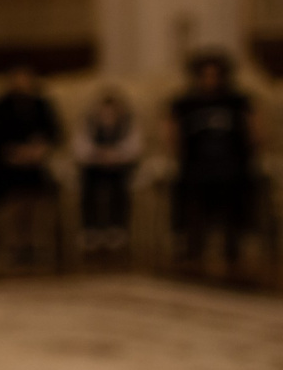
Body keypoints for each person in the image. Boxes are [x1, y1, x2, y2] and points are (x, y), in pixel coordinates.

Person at [167, 50, 263, 280]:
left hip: (232, 162)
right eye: (206, 75)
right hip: (197, 163)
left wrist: (252, 148)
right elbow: (171, 133)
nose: (210, 80)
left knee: (235, 183)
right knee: (192, 186)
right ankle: (193, 246)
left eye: (215, 75)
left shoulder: (238, 101)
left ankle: (233, 247)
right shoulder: (184, 103)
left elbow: (256, 132)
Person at [0, 64, 63, 270]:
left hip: (35, 164)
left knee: (39, 186)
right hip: (6, 165)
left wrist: (38, 150)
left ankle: (37, 241)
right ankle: (15, 243)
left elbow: (53, 133)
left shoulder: (41, 105)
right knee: (15, 191)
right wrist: (15, 153)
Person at [71, 87, 144, 262]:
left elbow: (135, 147)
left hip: (119, 167)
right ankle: (91, 229)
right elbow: (79, 148)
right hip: (94, 167)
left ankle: (117, 228)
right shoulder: (88, 125)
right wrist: (99, 155)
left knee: (120, 185)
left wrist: (115, 155)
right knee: (88, 183)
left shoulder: (128, 125)